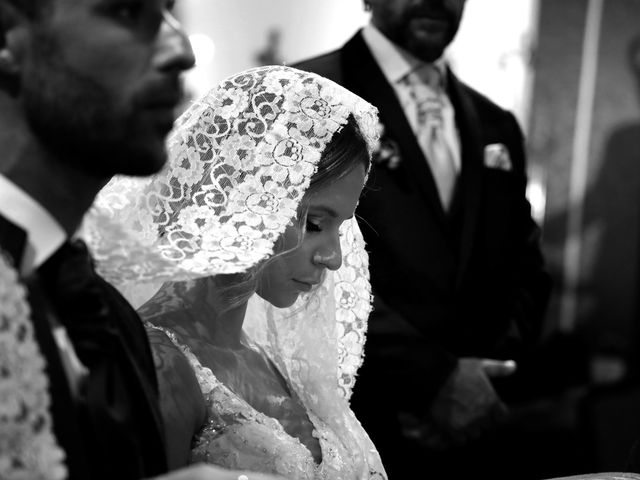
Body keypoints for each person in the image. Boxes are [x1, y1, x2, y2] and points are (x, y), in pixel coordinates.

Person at [0, 1, 284, 479]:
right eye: (129, 11)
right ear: (9, 39)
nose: (182, 51)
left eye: (170, 12)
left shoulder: (109, 314)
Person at [84, 65, 386, 479]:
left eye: (341, 226)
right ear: (247, 201)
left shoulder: (272, 357)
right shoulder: (160, 365)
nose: (333, 257)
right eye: (315, 223)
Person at [293, 0, 552, 477]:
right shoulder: (307, 94)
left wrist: (484, 377)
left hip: (478, 430)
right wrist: (432, 381)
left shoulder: (495, 122)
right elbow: (288, 254)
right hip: (357, 414)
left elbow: (526, 265)